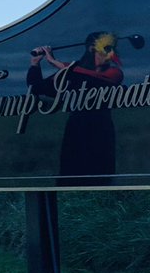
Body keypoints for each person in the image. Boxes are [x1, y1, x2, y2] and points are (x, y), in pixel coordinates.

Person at [27, 31, 124, 183]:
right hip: (76, 128)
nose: (112, 54)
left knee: (101, 175)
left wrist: (57, 63)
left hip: (101, 128)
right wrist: (35, 64)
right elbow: (37, 88)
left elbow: (97, 78)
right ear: (91, 49)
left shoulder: (113, 72)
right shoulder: (72, 72)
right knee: (71, 174)